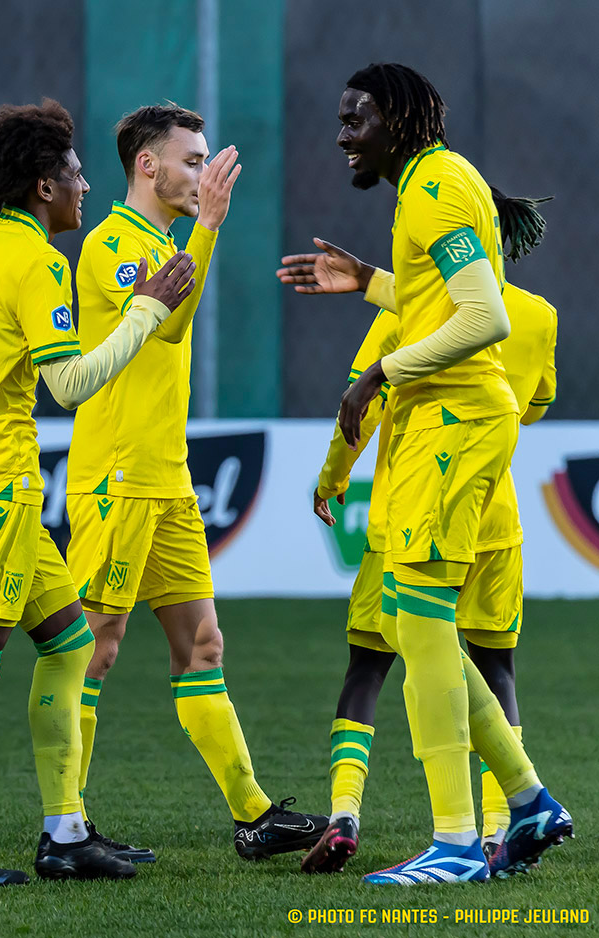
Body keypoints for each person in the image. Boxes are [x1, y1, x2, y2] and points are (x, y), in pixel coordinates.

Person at [0, 99, 197, 886]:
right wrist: (147, 309)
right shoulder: (36, 261)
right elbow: (71, 383)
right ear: (41, 183)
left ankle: (65, 834)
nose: (86, 186)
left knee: (70, 643)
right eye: (75, 173)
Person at [276, 62, 570, 885]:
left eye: (355, 119)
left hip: (448, 426)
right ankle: (527, 798)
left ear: (399, 119)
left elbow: (484, 315)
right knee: (418, 627)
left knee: (423, 629)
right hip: (450, 426)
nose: (342, 135)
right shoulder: (432, 183)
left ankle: (453, 841)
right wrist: (371, 281)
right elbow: (449, 299)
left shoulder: (436, 187)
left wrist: (383, 372)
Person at [65, 103, 327, 861]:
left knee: (203, 645)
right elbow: (169, 323)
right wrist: (208, 226)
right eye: (190, 160)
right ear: (146, 165)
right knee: (98, 648)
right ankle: (66, 825)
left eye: (206, 160)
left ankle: (253, 815)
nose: (203, 173)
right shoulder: (116, 243)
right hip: (117, 479)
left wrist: (199, 233)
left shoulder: (160, 242)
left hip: (167, 480)